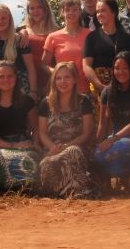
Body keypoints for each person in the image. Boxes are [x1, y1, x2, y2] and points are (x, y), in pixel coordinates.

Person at [37, 62, 97, 198]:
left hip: (77, 148)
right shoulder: (45, 103)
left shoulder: (84, 102)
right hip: (53, 149)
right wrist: (52, 147)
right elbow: (42, 133)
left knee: (72, 152)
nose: (62, 82)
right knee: (46, 163)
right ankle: (65, 191)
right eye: (58, 78)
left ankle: (76, 191)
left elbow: (86, 133)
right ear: (54, 81)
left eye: (67, 77)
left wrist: (67, 146)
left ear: (75, 79)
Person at [93, 52, 130, 193]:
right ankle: (119, 179)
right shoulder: (107, 92)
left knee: (121, 147)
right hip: (116, 137)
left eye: (125, 68)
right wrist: (98, 144)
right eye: (117, 68)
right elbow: (103, 124)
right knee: (96, 155)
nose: (121, 72)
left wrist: (112, 140)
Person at [0, 61, 39, 190]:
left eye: (10, 76)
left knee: (30, 159)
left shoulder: (26, 100)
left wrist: (34, 144)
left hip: (22, 143)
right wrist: (13, 146)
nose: (6, 80)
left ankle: (21, 186)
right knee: (3, 158)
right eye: (1, 76)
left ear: (16, 78)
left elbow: (36, 128)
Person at [83, 0, 130, 99]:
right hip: (98, 90)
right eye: (97, 11)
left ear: (113, 12)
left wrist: (122, 85)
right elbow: (86, 66)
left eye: (103, 10)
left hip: (123, 88)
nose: (99, 14)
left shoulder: (126, 37)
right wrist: (101, 86)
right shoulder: (91, 37)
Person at [0, 4, 38, 100]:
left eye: (4, 18)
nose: (0, 21)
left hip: (20, 90)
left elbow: (31, 68)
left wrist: (33, 92)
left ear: (9, 19)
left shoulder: (19, 40)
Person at [42, 0, 91, 94]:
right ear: (62, 12)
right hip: (62, 91)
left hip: (85, 89)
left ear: (80, 11)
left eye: (75, 9)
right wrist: (58, 74)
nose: (71, 13)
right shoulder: (53, 37)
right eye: (67, 10)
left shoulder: (90, 34)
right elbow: (44, 65)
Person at [20, 0, 60, 99]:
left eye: (39, 7)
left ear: (45, 9)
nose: (35, 11)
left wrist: (49, 86)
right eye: (32, 8)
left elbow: (59, 61)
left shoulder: (57, 31)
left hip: (51, 82)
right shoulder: (22, 32)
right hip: (26, 84)